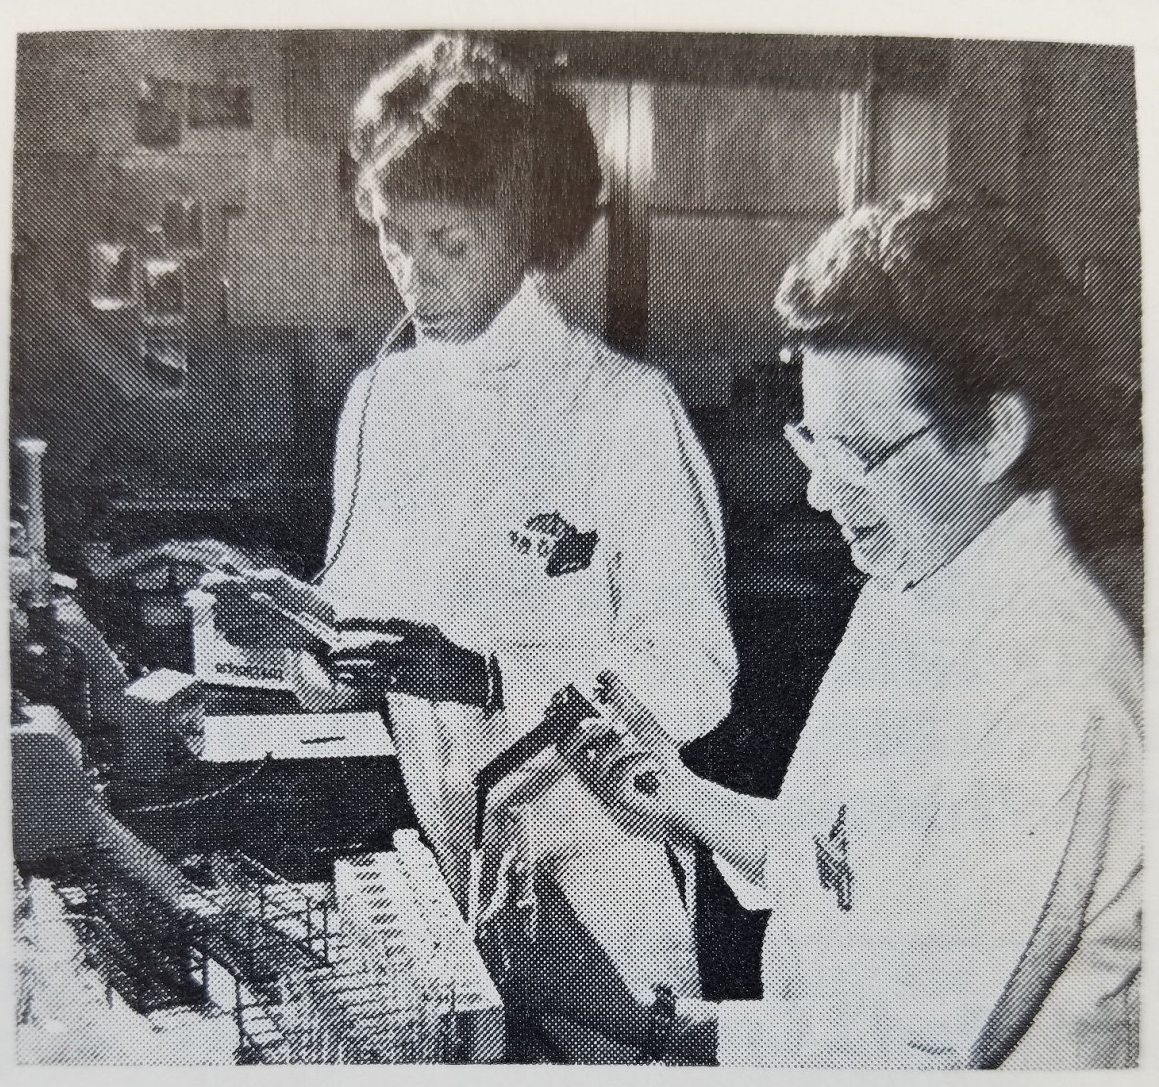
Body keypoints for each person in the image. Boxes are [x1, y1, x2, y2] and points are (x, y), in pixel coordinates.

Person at [202, 33, 737, 1058]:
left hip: (608, 889)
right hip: (456, 882)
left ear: (529, 232)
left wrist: (494, 674)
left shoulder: (623, 411)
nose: (416, 280)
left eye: (449, 244)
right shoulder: (383, 402)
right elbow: (358, 647)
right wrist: (299, 628)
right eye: (395, 241)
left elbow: (696, 673)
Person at [556, 192, 1141, 1068]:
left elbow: (922, 1050)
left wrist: (644, 1020)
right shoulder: (914, 571)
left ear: (995, 437)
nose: (821, 496)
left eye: (859, 455)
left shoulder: (1058, 691)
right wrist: (678, 797)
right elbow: (838, 858)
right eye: (811, 445)